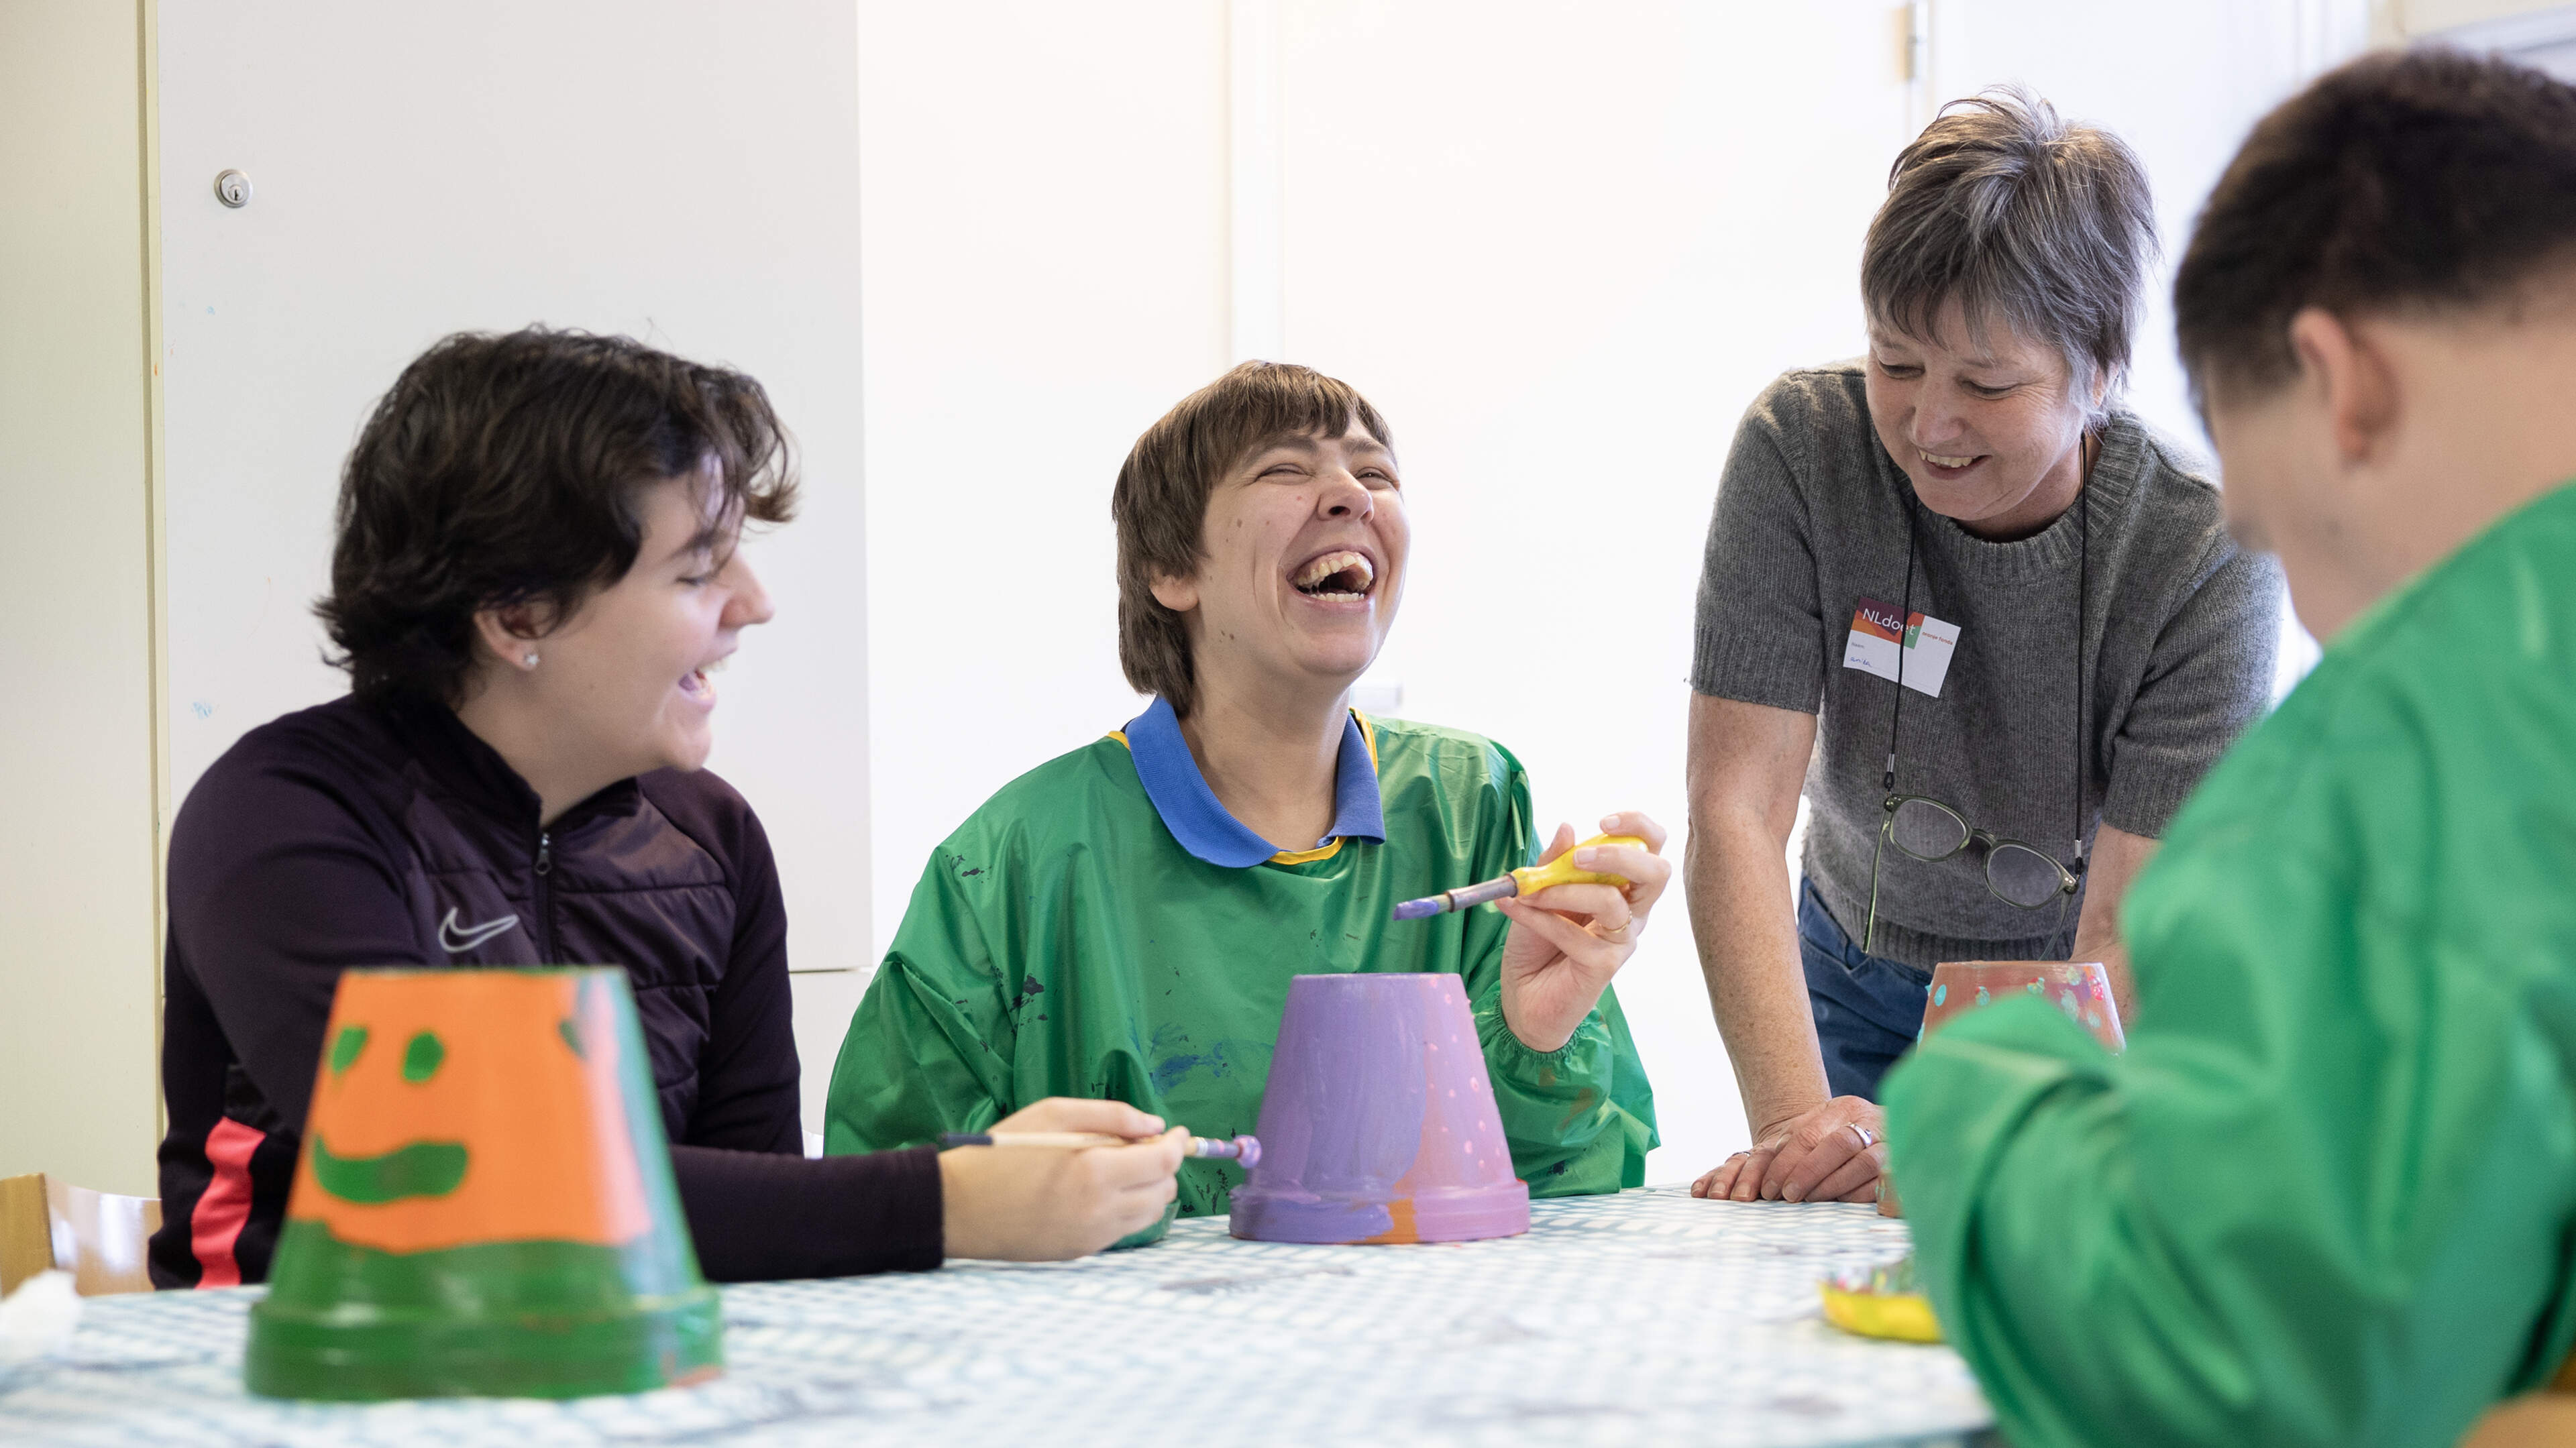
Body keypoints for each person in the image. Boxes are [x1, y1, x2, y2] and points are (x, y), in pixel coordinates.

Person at [150, 328, 1184, 1289]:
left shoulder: (715, 839)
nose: (755, 604)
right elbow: (454, 1179)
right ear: (519, 613)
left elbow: (762, 1215)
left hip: (622, 1376)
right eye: (698, 569)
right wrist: (954, 1197)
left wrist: (985, 1182)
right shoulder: (286, 814)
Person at [1884, 49, 2576, 1446]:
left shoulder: (2429, 734)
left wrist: (1982, 1096)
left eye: (2273, 532)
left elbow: (2242, 1360)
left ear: (2343, 385)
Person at [827, 361, 1664, 1229]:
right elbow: (881, 1204)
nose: (1351, 494)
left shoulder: (1472, 801)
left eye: (1376, 473)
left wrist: (1538, 1036)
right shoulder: (1016, 860)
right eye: (1285, 470)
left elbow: (1567, 1196)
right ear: (1168, 567)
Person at [1685, 89, 2282, 1208]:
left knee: (2017, 1251)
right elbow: (1736, 811)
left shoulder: (2205, 554)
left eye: (1988, 384)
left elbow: (2125, 927)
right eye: (1897, 365)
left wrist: (1987, 1133)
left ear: (2099, 371)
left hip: (2072, 989)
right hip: (1847, 958)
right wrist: (1797, 1126)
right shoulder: (1799, 452)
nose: (1928, 424)